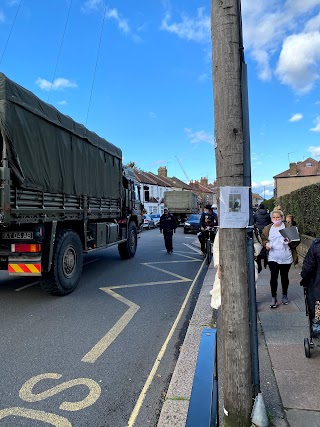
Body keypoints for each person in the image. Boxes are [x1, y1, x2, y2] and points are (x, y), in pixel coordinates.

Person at [261, 208, 299, 308]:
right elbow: (263, 239)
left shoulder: (288, 227)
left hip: (286, 256)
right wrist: (266, 244)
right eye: (274, 217)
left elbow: (296, 241)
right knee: (273, 277)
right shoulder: (268, 228)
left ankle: (284, 295)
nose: (276, 219)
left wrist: (290, 241)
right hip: (273, 256)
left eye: (278, 217)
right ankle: (274, 298)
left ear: (282, 218)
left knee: (284, 277)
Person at [301, 239, 320, 337]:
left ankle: (316, 326)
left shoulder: (317, 247)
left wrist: (304, 278)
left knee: (317, 309)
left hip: (318, 290)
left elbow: (307, 268)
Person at [254, 204, 271, 272]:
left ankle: (259, 255)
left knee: (258, 243)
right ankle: (265, 257)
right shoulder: (267, 214)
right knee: (265, 243)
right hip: (265, 230)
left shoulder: (256, 213)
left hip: (258, 230)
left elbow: (254, 221)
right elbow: (269, 222)